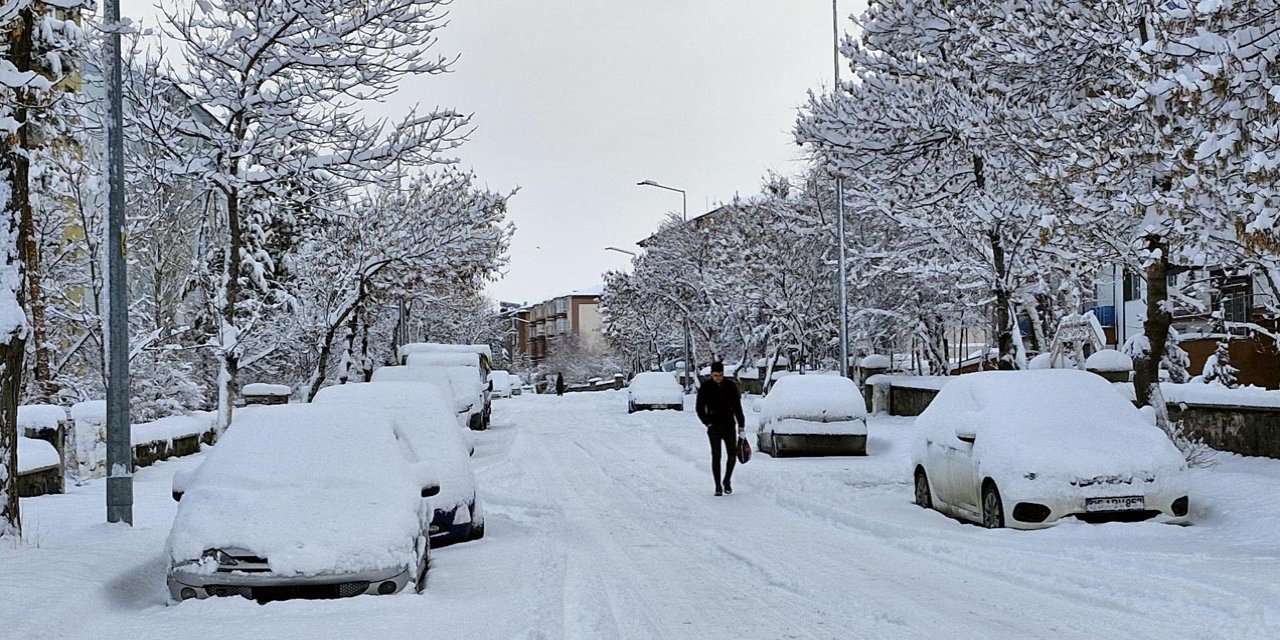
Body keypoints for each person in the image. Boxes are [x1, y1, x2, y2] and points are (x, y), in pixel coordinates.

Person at [696, 361, 745, 496]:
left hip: (729, 425)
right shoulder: (705, 387)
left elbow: (737, 406)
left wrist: (741, 424)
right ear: (711, 374)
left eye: (721, 375)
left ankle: (727, 480)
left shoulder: (730, 386)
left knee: (732, 455)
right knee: (716, 456)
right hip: (714, 427)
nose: (718, 377)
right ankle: (717, 485)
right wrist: (707, 422)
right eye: (716, 375)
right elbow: (699, 408)